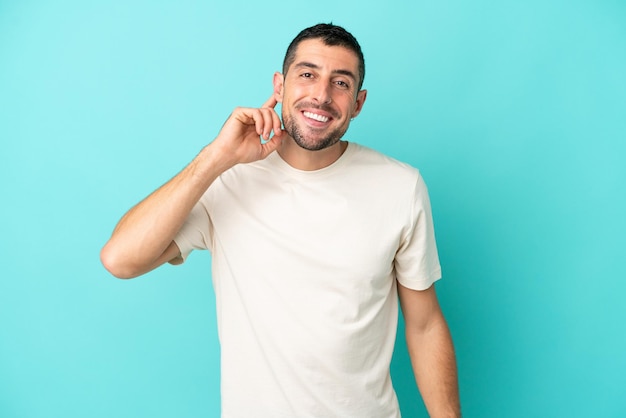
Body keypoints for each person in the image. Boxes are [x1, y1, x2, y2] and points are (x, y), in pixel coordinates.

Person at [101, 23, 461, 418]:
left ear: (358, 103)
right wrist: (215, 158)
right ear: (280, 86)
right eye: (307, 75)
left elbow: (425, 324)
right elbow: (121, 259)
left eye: (340, 83)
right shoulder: (228, 179)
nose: (321, 95)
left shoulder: (400, 186)